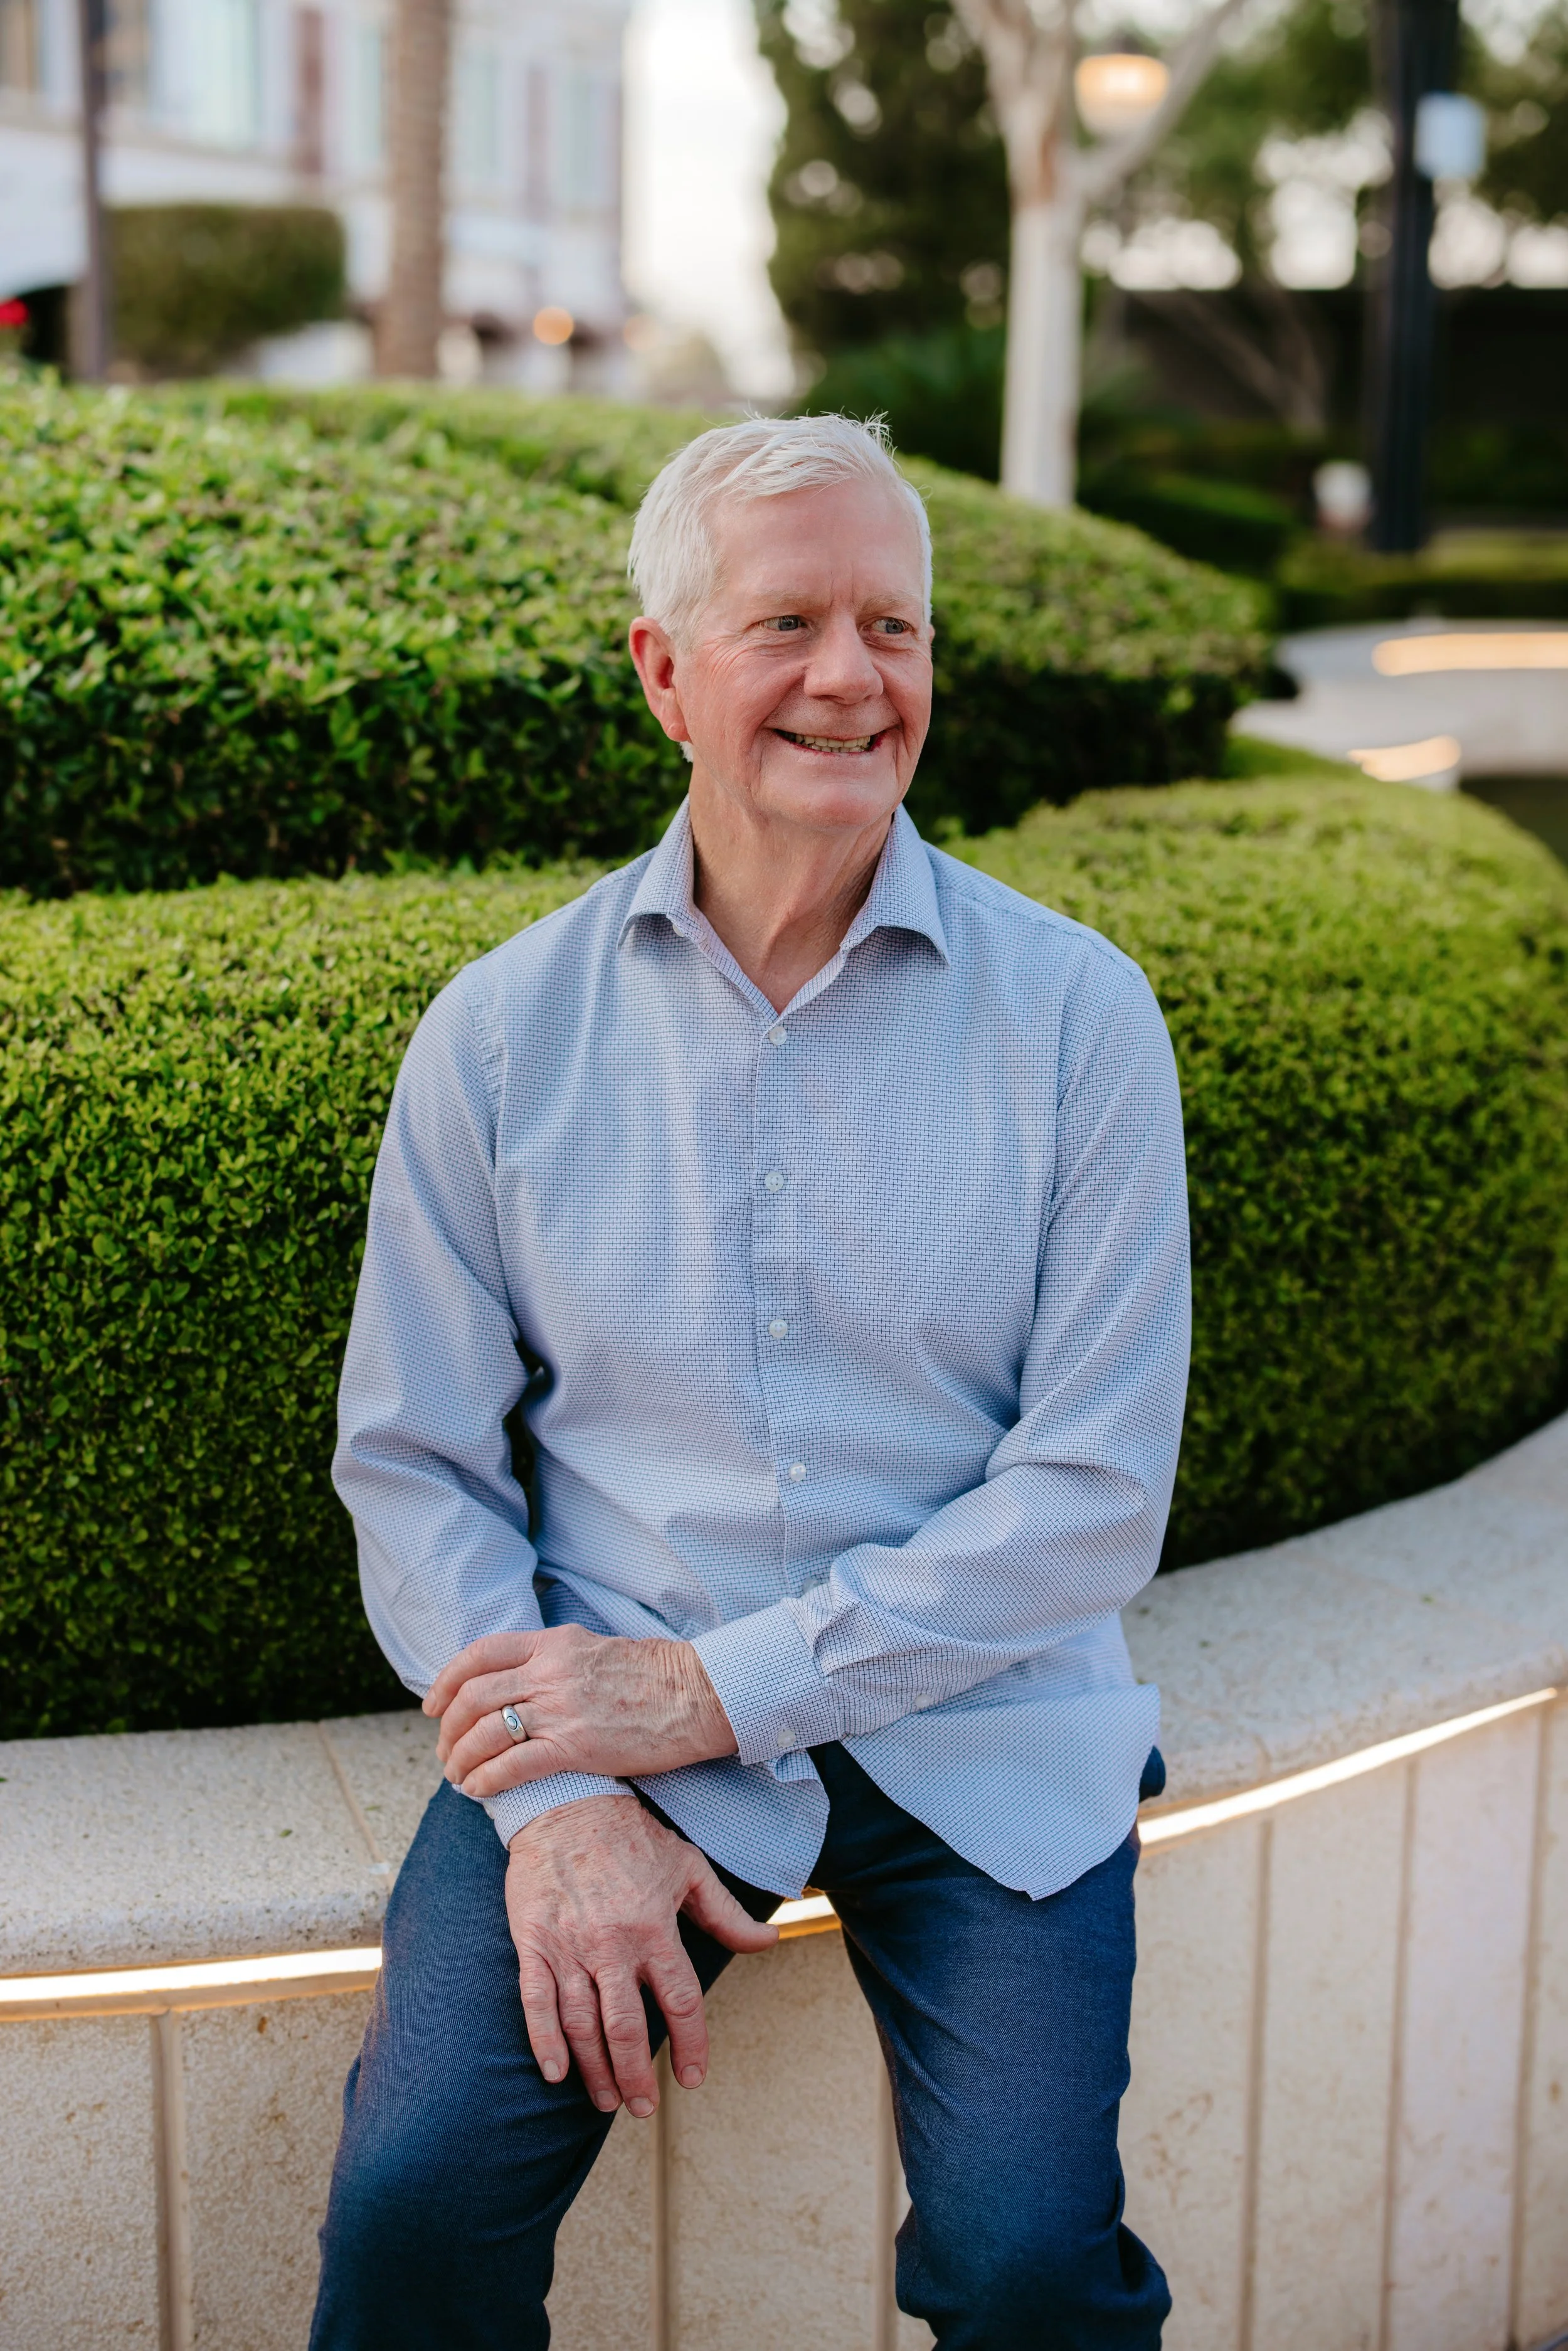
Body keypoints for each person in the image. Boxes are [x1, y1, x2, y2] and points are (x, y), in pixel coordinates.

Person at [314, 414, 1189, 2350]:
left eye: (893, 625)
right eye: (784, 620)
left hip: (983, 1725)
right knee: (415, 2207)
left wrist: (722, 1685)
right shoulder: (501, 1034)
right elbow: (415, 1462)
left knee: (1035, 2255)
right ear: (663, 674)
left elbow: (1097, 1488)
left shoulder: (1077, 1015)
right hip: (608, 1711)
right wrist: (552, 1802)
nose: (849, 677)